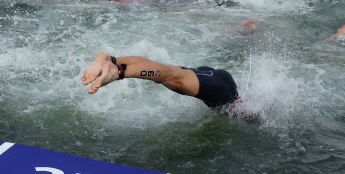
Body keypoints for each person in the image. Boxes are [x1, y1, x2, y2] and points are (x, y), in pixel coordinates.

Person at [82, 51, 244, 113]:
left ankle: (111, 60)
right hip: (223, 91)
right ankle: (117, 71)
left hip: (212, 78)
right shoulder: (245, 109)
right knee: (171, 76)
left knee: (168, 73)